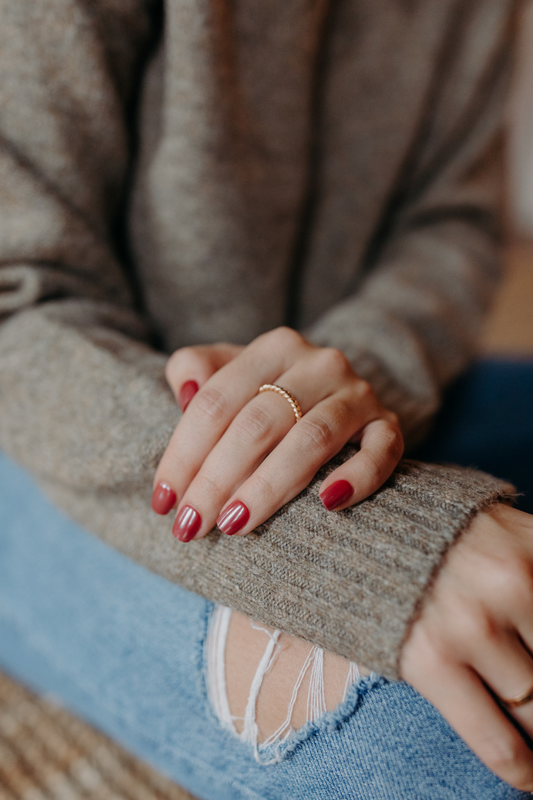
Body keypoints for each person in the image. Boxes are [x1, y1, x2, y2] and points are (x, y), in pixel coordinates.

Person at [0, 0, 531, 796]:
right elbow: (17, 303)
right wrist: (384, 554)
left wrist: (341, 390)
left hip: (351, 386)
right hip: (58, 422)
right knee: (466, 752)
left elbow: (451, 221)